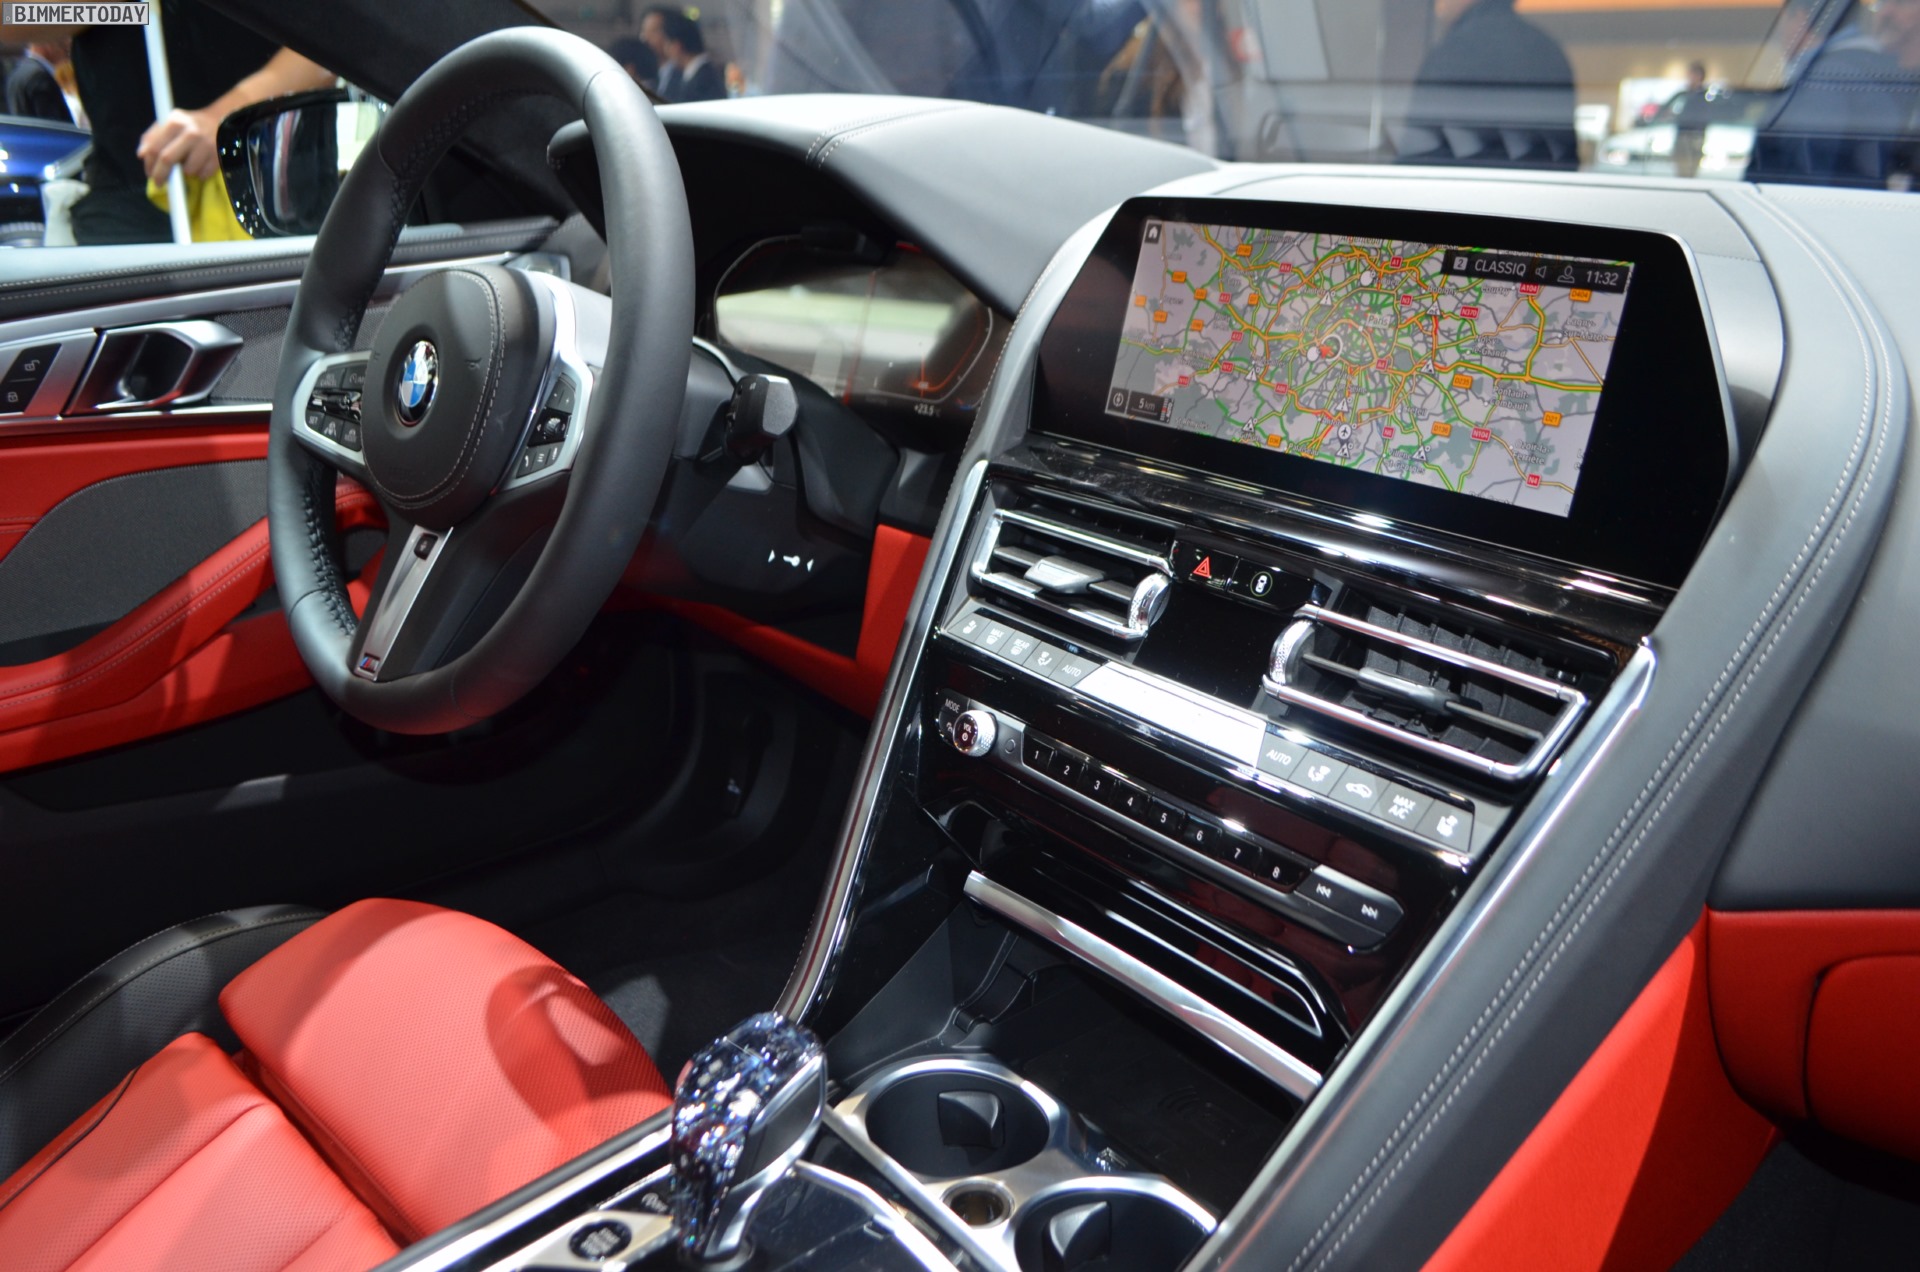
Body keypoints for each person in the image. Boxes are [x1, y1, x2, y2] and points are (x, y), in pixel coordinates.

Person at [1, 2, 332, 243]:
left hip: (284, 189)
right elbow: (15, 15)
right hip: (131, 198)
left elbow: (337, 30)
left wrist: (229, 116)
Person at [1748, 0, 1920, 189]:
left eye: (1902, 3)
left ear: (1799, 17)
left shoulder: (1828, 77)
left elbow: (1804, 175)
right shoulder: (1877, 75)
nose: (1885, 12)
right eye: (1882, 3)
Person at [1398, 0, 1579, 170]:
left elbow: (1419, 148)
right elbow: (1564, 153)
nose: (1439, 4)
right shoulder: (1547, 51)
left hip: (1464, 186)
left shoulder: (1455, 50)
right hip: (1537, 187)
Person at [642, 6, 725, 104]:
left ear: (677, 46)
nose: (666, 50)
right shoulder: (692, 75)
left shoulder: (704, 77)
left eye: (668, 44)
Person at [6, 40, 73, 122]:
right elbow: (52, 123)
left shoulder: (17, 73)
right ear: (48, 44)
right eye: (63, 46)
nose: (68, 52)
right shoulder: (40, 77)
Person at [1669, 60, 1711, 178]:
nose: (1689, 78)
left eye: (1692, 74)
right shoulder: (1685, 94)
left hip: (1693, 136)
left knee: (1690, 168)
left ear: (1699, 76)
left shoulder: (1703, 96)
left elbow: (1700, 115)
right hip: (1683, 135)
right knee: (1681, 167)